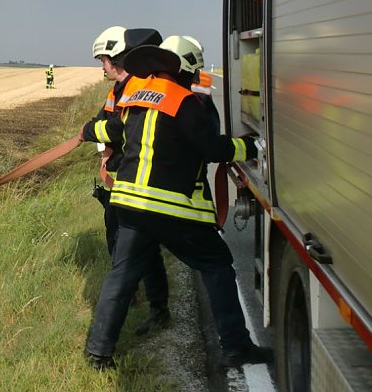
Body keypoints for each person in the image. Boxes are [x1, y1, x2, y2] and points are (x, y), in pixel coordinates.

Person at [80, 36, 272, 370]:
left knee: (121, 276)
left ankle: (98, 353)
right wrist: (250, 147)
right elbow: (213, 149)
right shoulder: (184, 101)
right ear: (185, 68)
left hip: (127, 204)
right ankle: (236, 347)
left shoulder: (137, 97)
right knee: (216, 265)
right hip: (169, 208)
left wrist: (86, 129)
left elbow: (112, 129)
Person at [90, 26, 171, 337]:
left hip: (137, 185)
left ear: (116, 58)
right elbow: (104, 122)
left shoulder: (139, 88)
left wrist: (93, 134)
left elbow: (113, 128)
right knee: (132, 246)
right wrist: (103, 150)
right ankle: (151, 305)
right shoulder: (118, 90)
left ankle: (109, 338)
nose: (102, 66)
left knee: (135, 252)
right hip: (119, 181)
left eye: (103, 60)